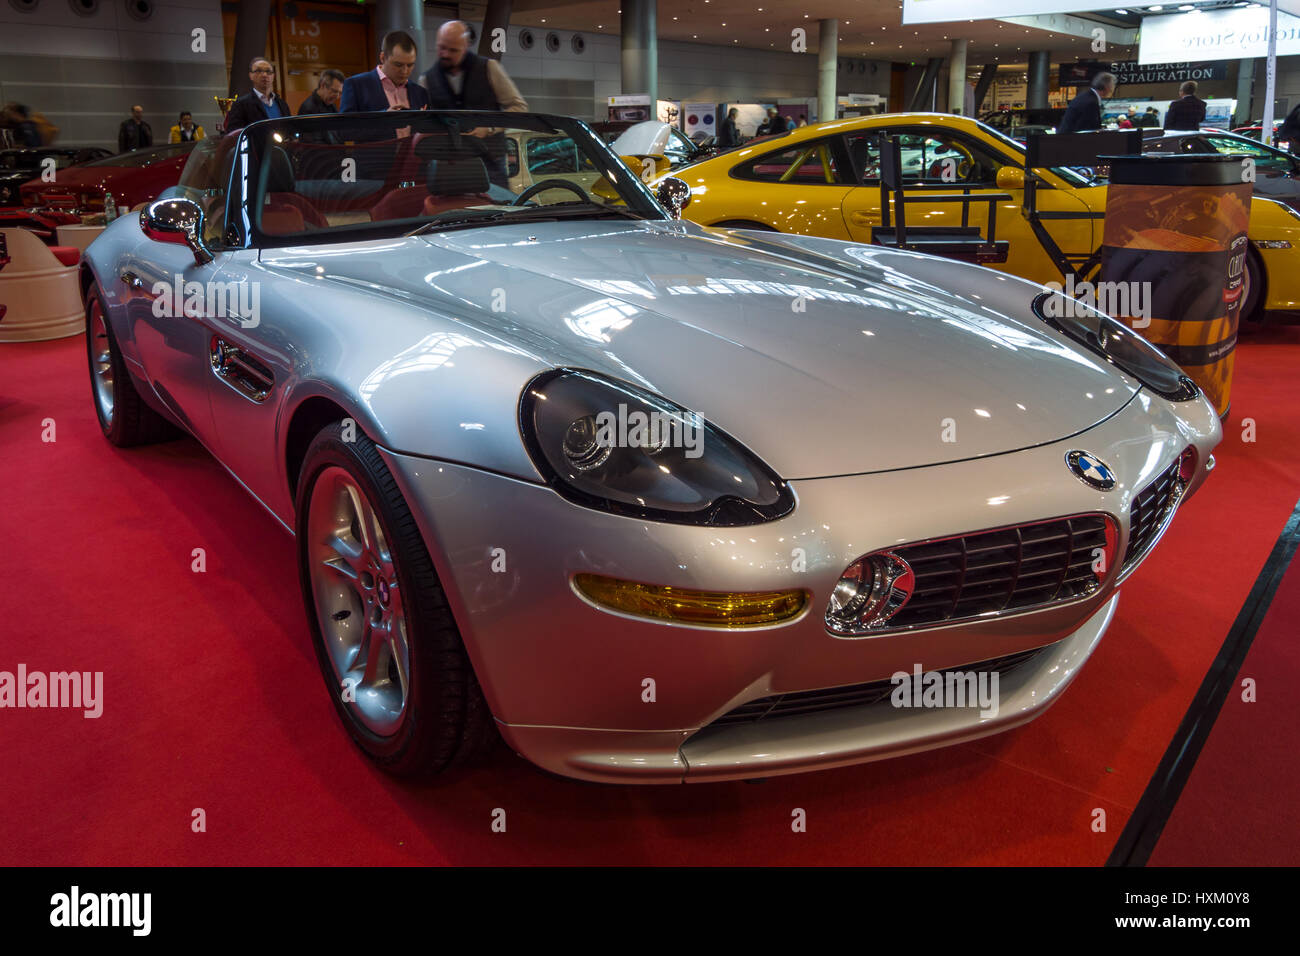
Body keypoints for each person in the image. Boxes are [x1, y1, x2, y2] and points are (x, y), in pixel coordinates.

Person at [421, 20, 527, 186]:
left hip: (490, 163)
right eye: (441, 47)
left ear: (466, 47)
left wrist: (490, 128)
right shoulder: (427, 79)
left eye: (453, 50)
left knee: (498, 210)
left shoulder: (489, 68)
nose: (446, 54)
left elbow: (519, 107)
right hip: (450, 166)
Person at [340, 31, 429, 114]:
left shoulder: (420, 93)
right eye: (398, 65)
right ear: (382, 58)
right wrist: (383, 119)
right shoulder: (356, 85)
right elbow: (344, 128)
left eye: (410, 65)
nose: (405, 71)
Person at [223, 58, 291, 132]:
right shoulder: (241, 104)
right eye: (258, 71)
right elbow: (234, 133)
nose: (264, 75)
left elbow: (290, 129)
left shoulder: (282, 104)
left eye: (268, 71)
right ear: (250, 75)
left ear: (273, 76)